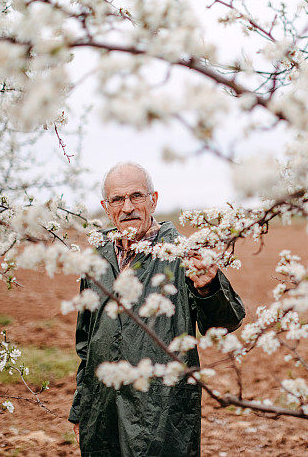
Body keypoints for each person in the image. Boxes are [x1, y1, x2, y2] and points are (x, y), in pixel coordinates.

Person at [68, 162, 246, 456]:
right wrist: (81, 408)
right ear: (105, 206)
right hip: (102, 413)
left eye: (136, 196)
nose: (128, 207)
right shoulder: (96, 261)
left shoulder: (182, 254)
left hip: (162, 415)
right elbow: (86, 345)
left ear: (154, 199)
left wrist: (208, 288)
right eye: (117, 199)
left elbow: (226, 322)